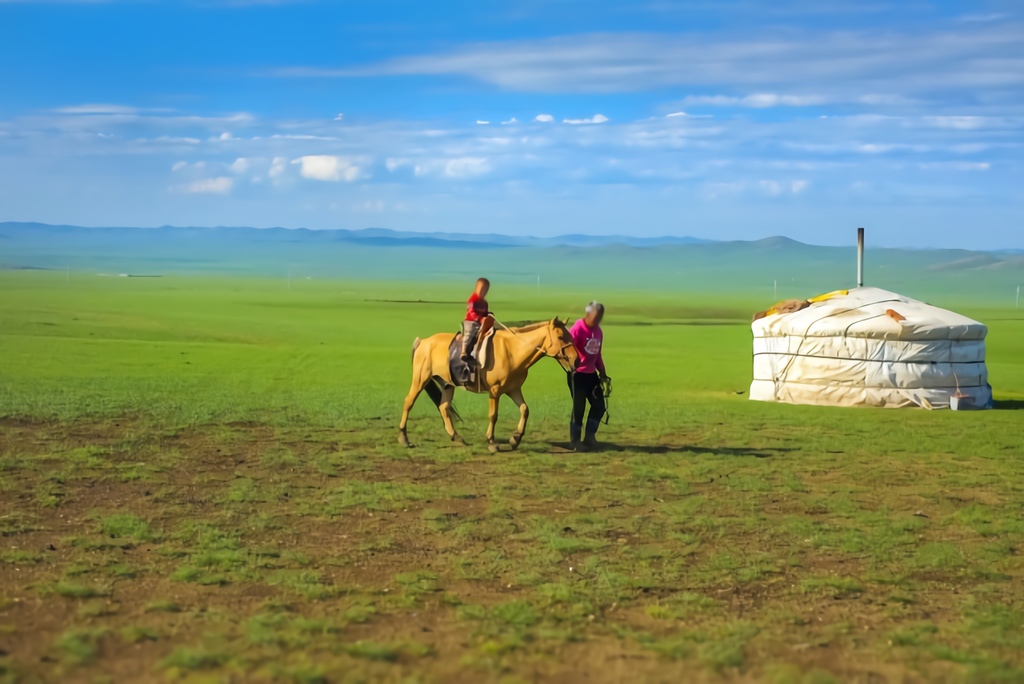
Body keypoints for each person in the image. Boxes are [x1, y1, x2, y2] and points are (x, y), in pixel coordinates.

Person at [568, 301, 608, 451]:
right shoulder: (578, 328)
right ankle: (575, 441)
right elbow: (568, 348)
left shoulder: (598, 332)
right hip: (577, 375)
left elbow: (597, 355)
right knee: (579, 408)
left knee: (599, 406)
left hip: (592, 375)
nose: (598, 320)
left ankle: (590, 436)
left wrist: (602, 373)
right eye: (596, 317)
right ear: (588, 314)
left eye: (600, 317)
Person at [462, 277, 494, 362]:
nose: (482, 292)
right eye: (481, 289)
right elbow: (471, 311)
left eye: (485, 290)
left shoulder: (484, 303)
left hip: (481, 322)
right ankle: (464, 351)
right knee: (470, 333)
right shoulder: (472, 300)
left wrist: (489, 315)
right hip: (471, 321)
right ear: (476, 288)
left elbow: (485, 313)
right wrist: (479, 319)